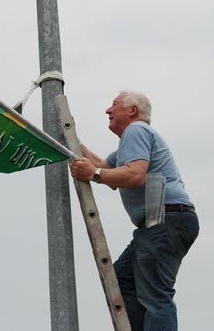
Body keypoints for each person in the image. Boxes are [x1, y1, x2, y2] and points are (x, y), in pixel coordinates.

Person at [69, 90, 199, 331]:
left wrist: (94, 175)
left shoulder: (135, 131)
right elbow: (108, 169)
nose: (108, 110)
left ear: (132, 111)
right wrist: (73, 139)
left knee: (155, 294)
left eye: (114, 105)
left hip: (165, 219)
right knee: (122, 281)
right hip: (163, 220)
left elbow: (135, 174)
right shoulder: (132, 141)